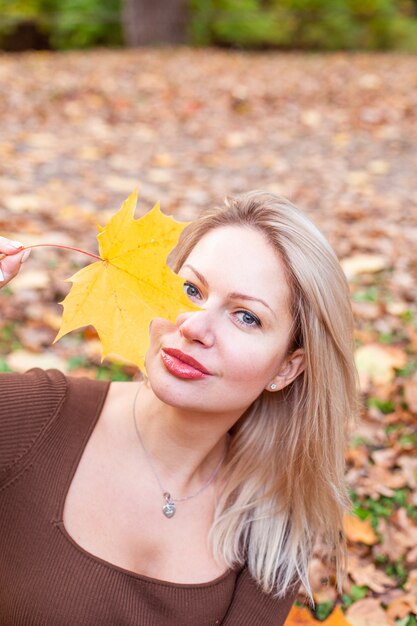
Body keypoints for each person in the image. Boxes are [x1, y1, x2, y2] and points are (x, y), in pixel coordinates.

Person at [0, 190, 358, 626]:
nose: (194, 325)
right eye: (190, 289)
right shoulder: (32, 417)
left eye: (246, 316)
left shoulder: (269, 530)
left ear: (286, 368)